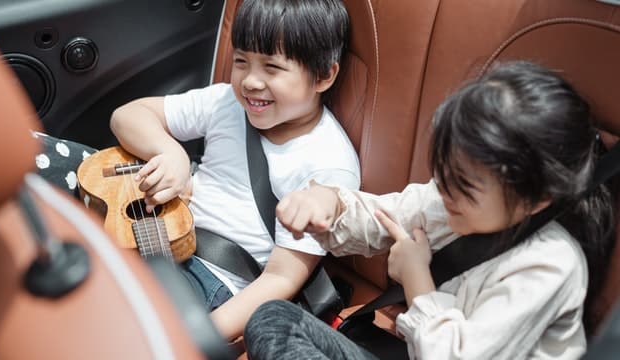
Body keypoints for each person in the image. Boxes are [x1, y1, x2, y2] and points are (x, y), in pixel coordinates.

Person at [243, 61, 617, 359]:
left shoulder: (550, 265)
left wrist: (415, 276)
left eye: (464, 184)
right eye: (442, 171)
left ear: (538, 198)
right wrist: (329, 203)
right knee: (273, 321)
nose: (443, 189)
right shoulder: (449, 202)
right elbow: (382, 217)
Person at [36, 0, 359, 341]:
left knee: (99, 317)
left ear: (323, 75)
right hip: (159, 226)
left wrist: (198, 337)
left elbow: (280, 278)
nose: (250, 81)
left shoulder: (328, 165)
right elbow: (126, 116)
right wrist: (170, 152)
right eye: (240, 61)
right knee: (31, 157)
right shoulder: (226, 103)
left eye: (272, 68)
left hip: (214, 278)